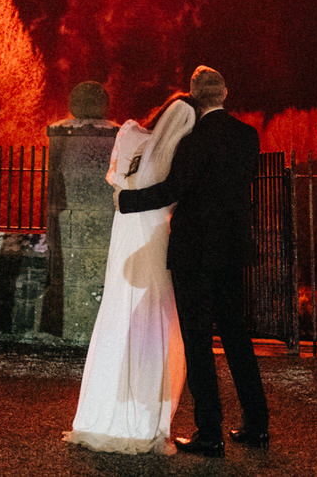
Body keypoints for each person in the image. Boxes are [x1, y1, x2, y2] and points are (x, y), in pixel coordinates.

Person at [117, 65, 269, 457]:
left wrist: (126, 200)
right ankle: (257, 425)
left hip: (194, 252)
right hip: (232, 248)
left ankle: (210, 432)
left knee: (198, 341)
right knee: (237, 337)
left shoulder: (193, 140)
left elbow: (172, 189)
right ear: (225, 93)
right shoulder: (248, 136)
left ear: (194, 96)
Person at [64, 92, 198, 453]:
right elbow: (170, 193)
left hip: (126, 229)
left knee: (122, 309)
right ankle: (143, 416)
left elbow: (120, 183)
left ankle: (106, 410)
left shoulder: (133, 138)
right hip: (153, 234)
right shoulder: (176, 153)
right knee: (155, 317)